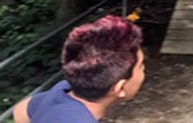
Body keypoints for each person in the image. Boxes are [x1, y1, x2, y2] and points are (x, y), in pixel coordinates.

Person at [12, 15, 146, 123]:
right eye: (141, 66)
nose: (143, 70)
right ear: (120, 88)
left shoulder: (62, 90)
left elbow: (20, 110)